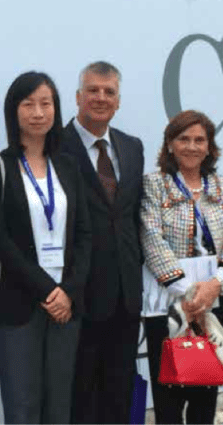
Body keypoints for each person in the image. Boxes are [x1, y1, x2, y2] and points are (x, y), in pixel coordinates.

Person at [0, 71, 92, 424]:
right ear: (13, 111)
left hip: (66, 307)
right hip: (19, 303)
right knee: (22, 408)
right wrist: (47, 290)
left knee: (59, 407)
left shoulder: (69, 166)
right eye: (28, 104)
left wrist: (68, 291)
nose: (38, 113)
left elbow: (84, 235)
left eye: (46, 103)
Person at [139, 110, 223, 424]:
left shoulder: (222, 186)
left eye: (200, 140)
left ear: (209, 147)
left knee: (205, 392)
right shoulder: (154, 185)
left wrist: (215, 284)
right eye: (184, 139)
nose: (192, 146)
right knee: (169, 394)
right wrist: (189, 294)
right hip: (169, 301)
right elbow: (151, 239)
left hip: (216, 298)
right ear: (170, 144)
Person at [63, 61, 145, 424]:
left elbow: (132, 215)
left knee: (118, 391)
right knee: (79, 393)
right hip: (77, 292)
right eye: (92, 90)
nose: (100, 98)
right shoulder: (55, 146)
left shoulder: (132, 147)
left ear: (118, 101)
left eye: (109, 92)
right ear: (77, 97)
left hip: (126, 293)